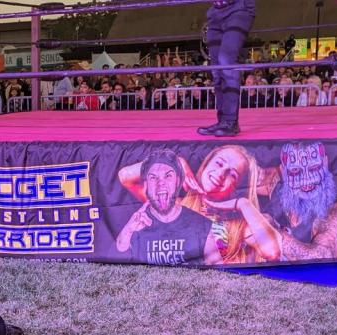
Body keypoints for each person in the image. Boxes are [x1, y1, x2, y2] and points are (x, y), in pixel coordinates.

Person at [119, 144, 281, 263]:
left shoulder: (238, 225)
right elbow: (125, 176)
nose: (220, 173)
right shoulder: (176, 206)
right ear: (206, 164)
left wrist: (244, 203)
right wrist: (174, 162)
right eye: (219, 163)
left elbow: (272, 252)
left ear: (236, 188)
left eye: (232, 174)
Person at [115, 149, 222, 266]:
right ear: (146, 185)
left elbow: (216, 266)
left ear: (178, 181)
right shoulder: (139, 221)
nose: (161, 182)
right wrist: (129, 229)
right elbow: (119, 250)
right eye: (153, 177)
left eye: (168, 176)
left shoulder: (200, 223)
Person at [262, 142, 337, 261]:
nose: (306, 179)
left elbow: (322, 257)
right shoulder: (276, 186)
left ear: (325, 163)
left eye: (314, 168)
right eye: (295, 170)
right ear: (283, 171)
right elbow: (251, 173)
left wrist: (268, 229)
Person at [198, 0, 257, 137]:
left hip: (238, 8)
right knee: (216, 69)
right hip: (216, 11)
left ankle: (231, 122)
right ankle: (223, 121)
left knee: (226, 61)